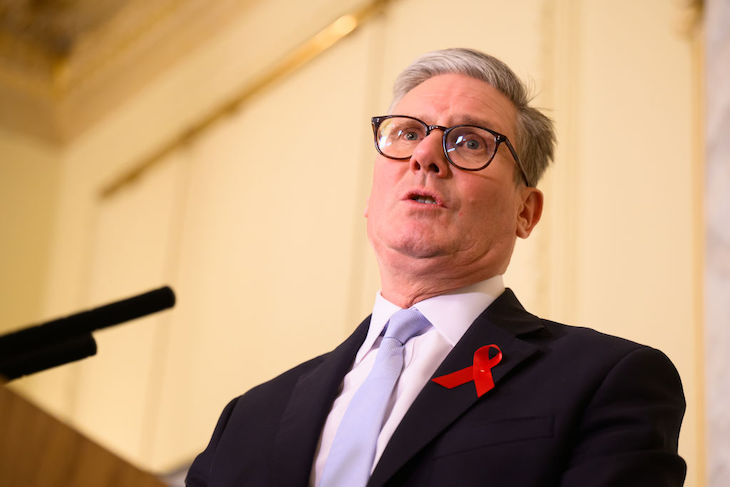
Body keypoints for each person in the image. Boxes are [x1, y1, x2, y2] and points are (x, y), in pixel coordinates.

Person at [185, 48, 686, 487]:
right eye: (406, 133)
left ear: (525, 211)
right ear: (372, 197)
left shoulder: (606, 379)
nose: (425, 155)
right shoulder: (247, 419)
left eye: (470, 142)